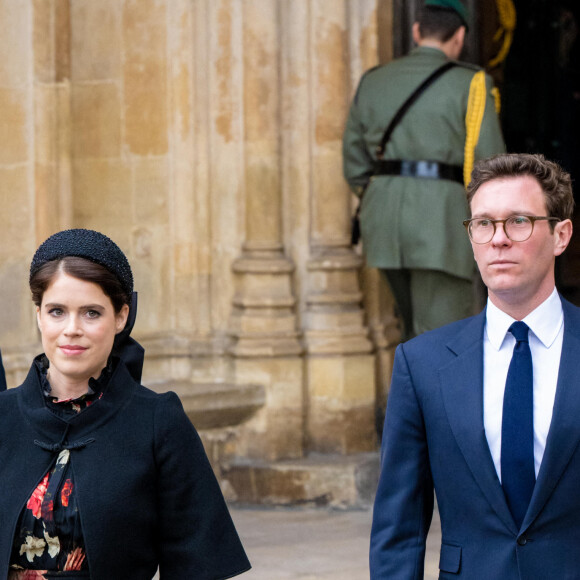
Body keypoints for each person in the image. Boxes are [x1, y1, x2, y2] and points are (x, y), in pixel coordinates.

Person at [370, 153, 580, 579]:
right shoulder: (422, 364)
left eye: (519, 221)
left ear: (561, 235)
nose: (498, 239)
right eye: (483, 224)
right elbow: (399, 528)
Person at [0, 229, 251, 580]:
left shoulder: (158, 422)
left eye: (91, 313)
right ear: (38, 314)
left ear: (121, 316)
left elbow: (199, 566)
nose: (72, 329)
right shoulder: (3, 417)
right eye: (57, 311)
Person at [343, 0, 505, 341]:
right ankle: (431, 397)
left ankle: (412, 395)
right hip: (442, 223)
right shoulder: (472, 83)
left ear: (417, 31)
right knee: (443, 338)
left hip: (383, 221)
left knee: (410, 331)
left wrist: (383, 196)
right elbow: (489, 165)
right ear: (459, 36)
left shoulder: (373, 80)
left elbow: (355, 162)